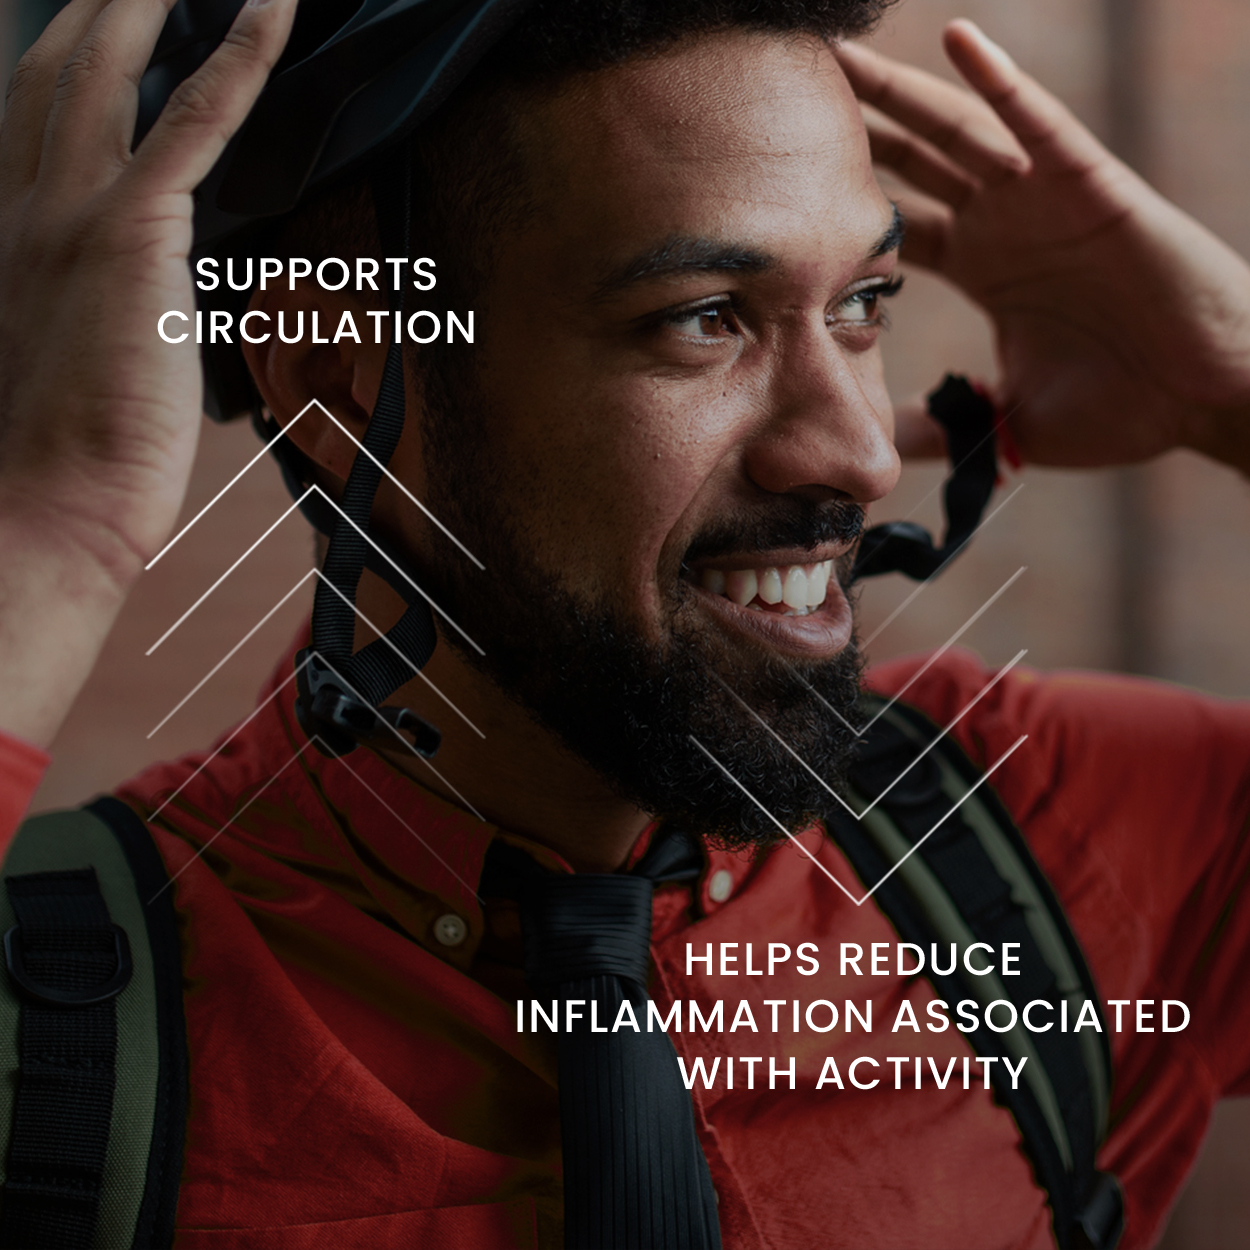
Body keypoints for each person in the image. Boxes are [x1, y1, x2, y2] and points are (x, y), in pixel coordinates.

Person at [0, 0, 1247, 1246]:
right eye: (704, 317)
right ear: (332, 376)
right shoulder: (56, 1024)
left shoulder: (1042, 836)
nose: (862, 454)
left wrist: (1232, 379)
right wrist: (51, 535)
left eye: (863, 301)